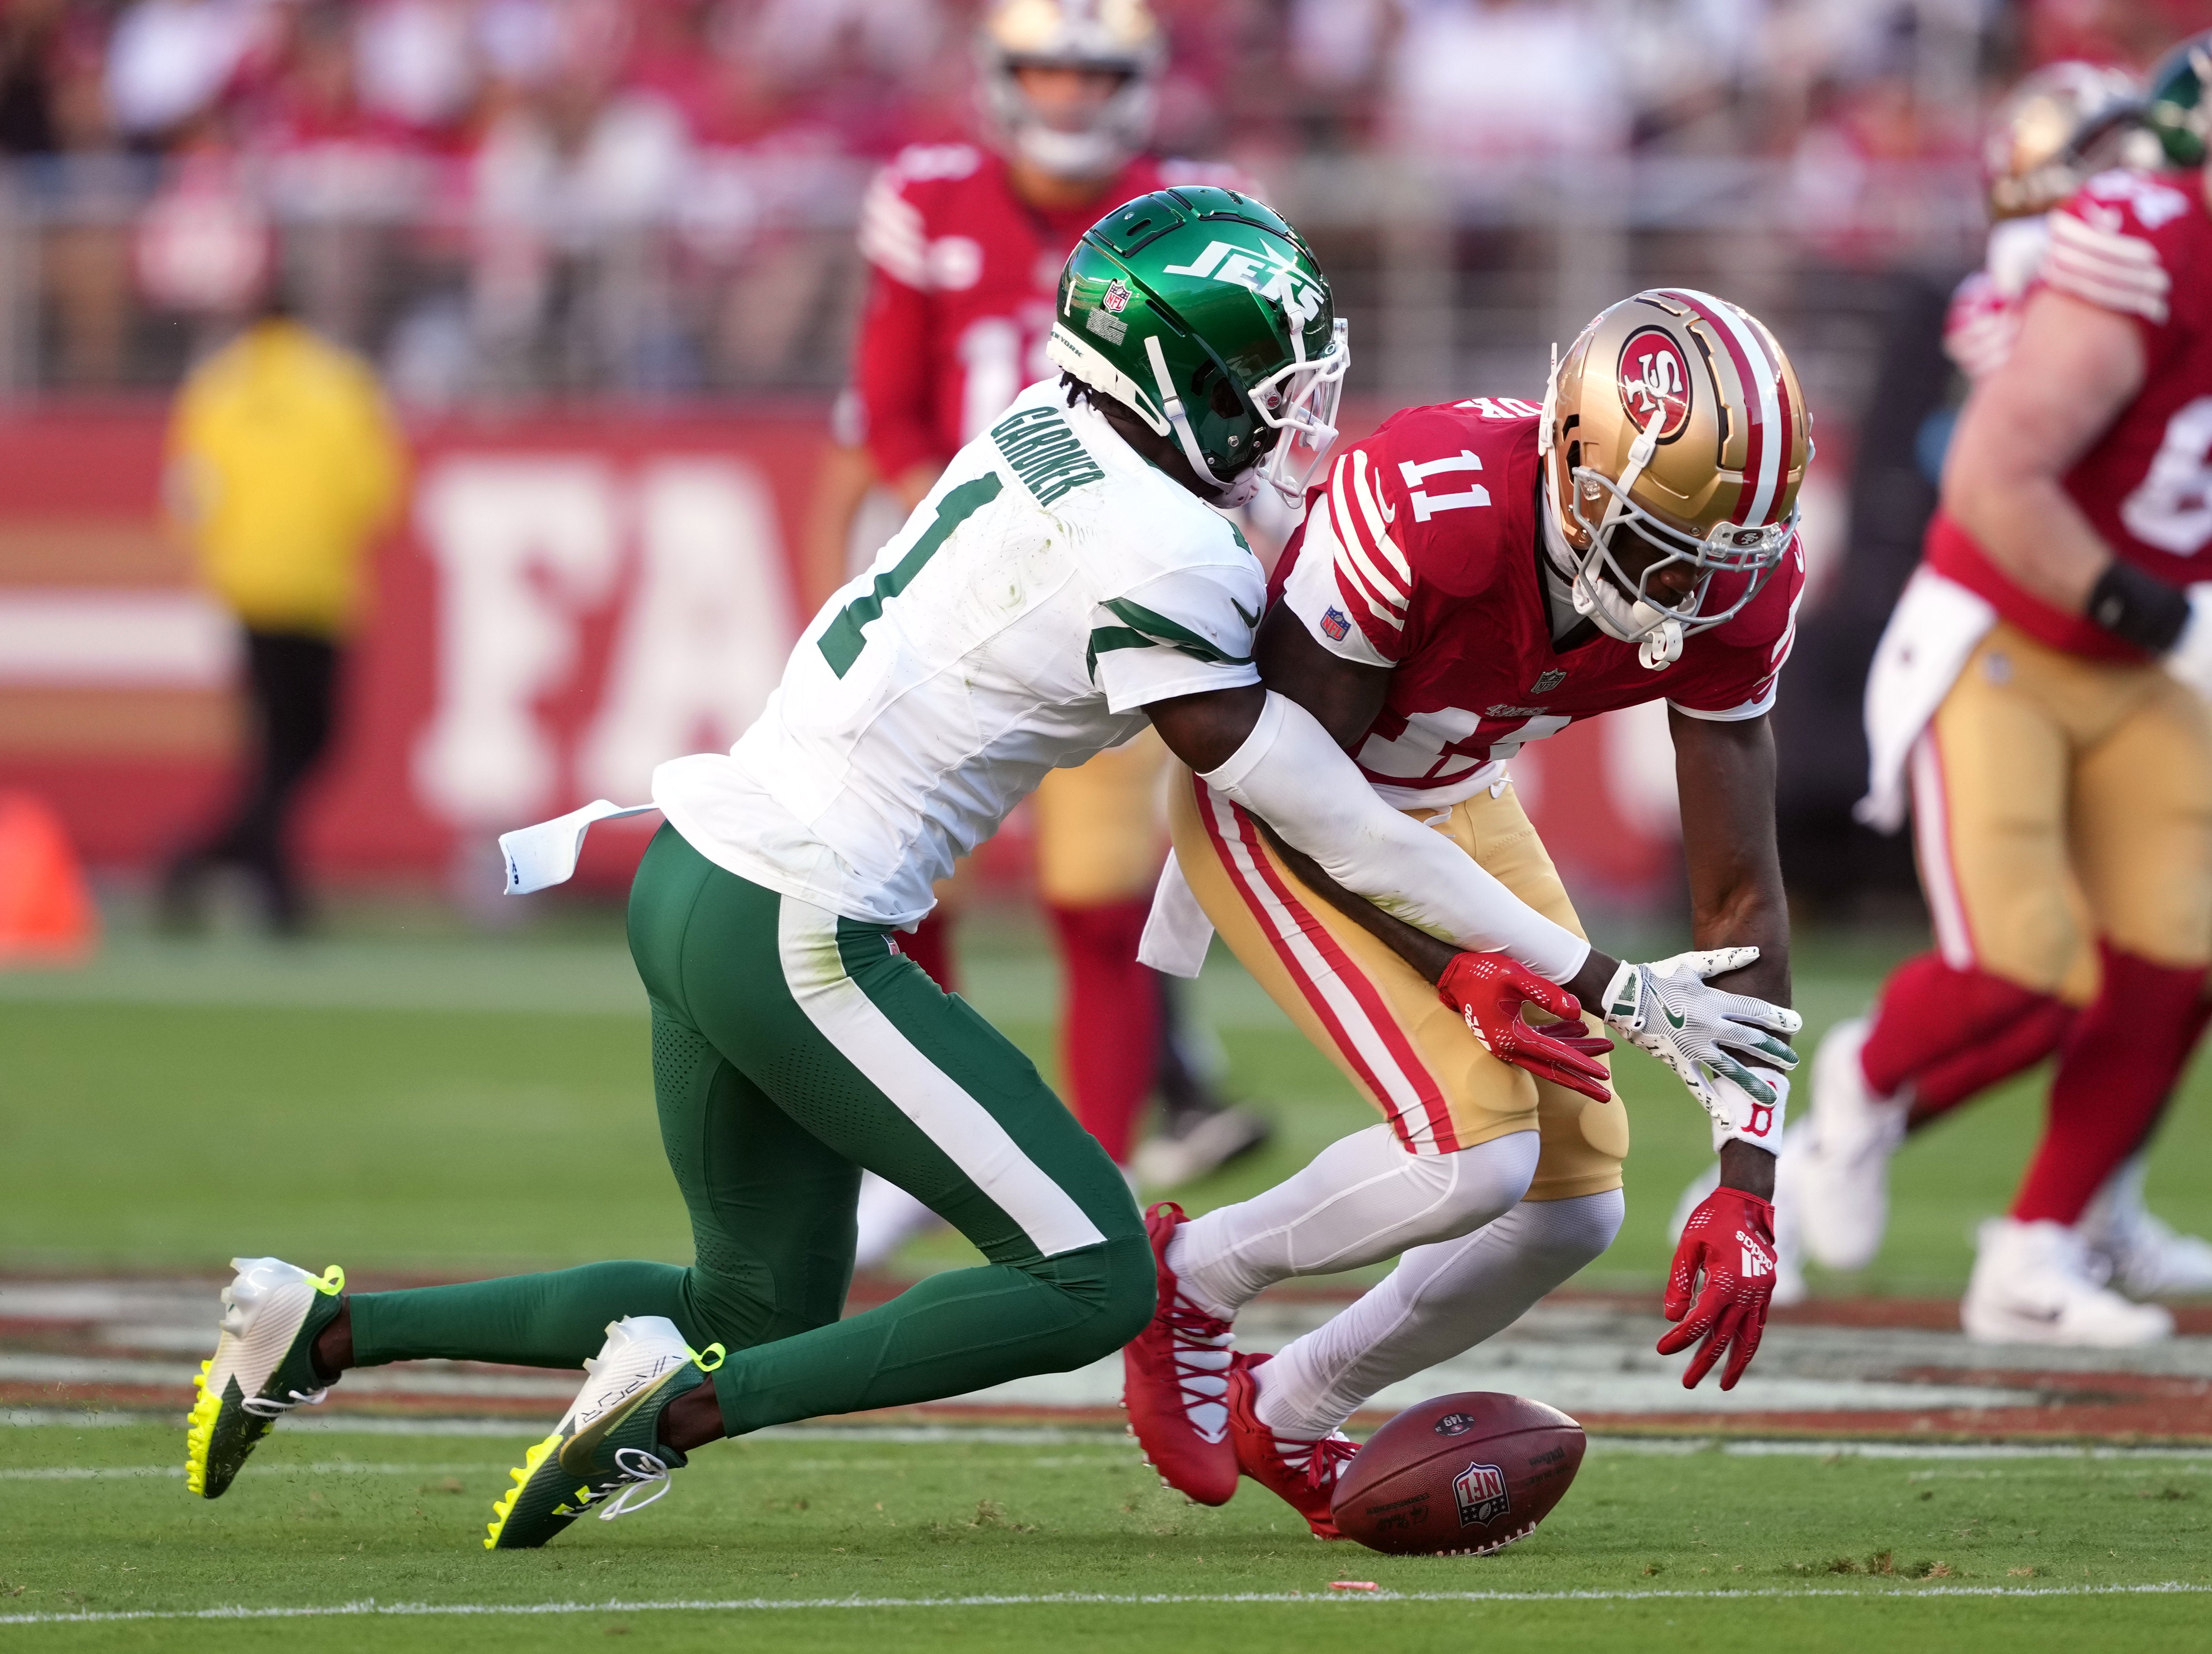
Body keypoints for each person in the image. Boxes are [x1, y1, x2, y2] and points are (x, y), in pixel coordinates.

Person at [186, 185, 1723, 1552]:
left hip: (698, 875)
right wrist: (1594, 974)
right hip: (798, 923)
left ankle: (319, 1332)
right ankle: (673, 1413)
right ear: (1178, 385)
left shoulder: (1049, 424)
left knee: (750, 1304)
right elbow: (1325, 810)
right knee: (1094, 1277)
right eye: (1266, 394)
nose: (1290, 424)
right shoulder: (1164, 556)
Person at [1788, 0, 2212, 1347]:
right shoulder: (2135, 245)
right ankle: (1860, 1080)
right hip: (2013, 633)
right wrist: (2162, 615)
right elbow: (1993, 480)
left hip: (2164, 653)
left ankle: (2036, 1252)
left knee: (2167, 960)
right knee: (2023, 968)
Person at [1123, 289, 1809, 1534]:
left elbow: (1740, 898)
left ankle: (1286, 1410)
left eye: (1726, 556)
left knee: (1571, 1207)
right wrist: (1449, 961)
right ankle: (1185, 1277)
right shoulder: (1433, 506)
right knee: (1472, 1152)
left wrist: (1748, 1181)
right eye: (1663, 544)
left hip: (1450, 795)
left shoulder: (1730, 585)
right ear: (1576, 469)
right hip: (1282, 810)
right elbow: (1299, 790)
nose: (1693, 589)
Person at [816, 0, 1269, 1252]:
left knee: (1098, 902)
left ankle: (1099, 1177)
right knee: (899, 887)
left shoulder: (1196, 211)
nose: (1069, 98)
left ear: (1136, 83)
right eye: (1048, 72)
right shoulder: (928, 196)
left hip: (1120, 583)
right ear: (1004, 77)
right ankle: (927, 1145)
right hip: (957, 582)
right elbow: (885, 417)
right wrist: (973, 524)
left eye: (1094, 76)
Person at [158, 292, 405, 934]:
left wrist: (222, 554)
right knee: (313, 741)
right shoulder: (342, 385)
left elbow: (190, 494)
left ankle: (221, 861)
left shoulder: (217, 387)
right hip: (319, 588)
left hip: (246, 588)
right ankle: (261, 877)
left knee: (274, 742)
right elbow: (375, 492)